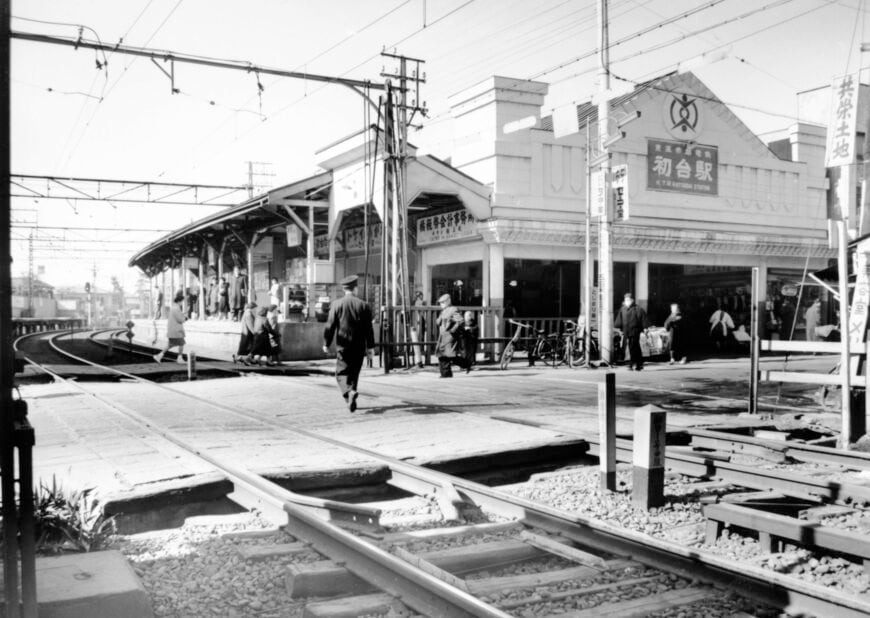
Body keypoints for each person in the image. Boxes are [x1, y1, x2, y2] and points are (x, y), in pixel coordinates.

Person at [322, 275, 375, 412]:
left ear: (344, 289)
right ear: (355, 288)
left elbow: (330, 326)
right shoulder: (363, 305)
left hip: (343, 344)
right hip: (359, 345)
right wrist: (371, 347)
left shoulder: (336, 304)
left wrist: (326, 343)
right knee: (354, 372)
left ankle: (348, 393)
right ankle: (351, 395)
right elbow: (368, 329)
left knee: (341, 372)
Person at [614, 292, 650, 371]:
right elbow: (619, 321)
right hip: (626, 332)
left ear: (632, 300)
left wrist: (645, 328)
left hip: (635, 331)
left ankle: (632, 364)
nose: (627, 301)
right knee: (632, 348)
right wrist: (619, 329)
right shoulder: (622, 309)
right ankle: (638, 364)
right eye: (626, 299)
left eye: (629, 299)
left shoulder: (638, 309)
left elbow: (643, 319)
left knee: (633, 347)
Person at [153, 291, 186, 364]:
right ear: (179, 301)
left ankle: (159, 356)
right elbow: (180, 319)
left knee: (170, 345)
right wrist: (185, 318)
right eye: (182, 301)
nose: (182, 303)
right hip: (176, 331)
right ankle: (179, 358)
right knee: (181, 343)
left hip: (172, 330)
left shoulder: (173, 308)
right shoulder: (176, 308)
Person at [435, 293, 463, 377]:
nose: (441, 304)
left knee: (449, 355)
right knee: (442, 354)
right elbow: (438, 322)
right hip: (443, 336)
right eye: (440, 303)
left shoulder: (453, 309)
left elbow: (460, 321)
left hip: (449, 336)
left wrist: (452, 330)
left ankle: (466, 363)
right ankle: (445, 373)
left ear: (448, 301)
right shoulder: (443, 311)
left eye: (443, 302)